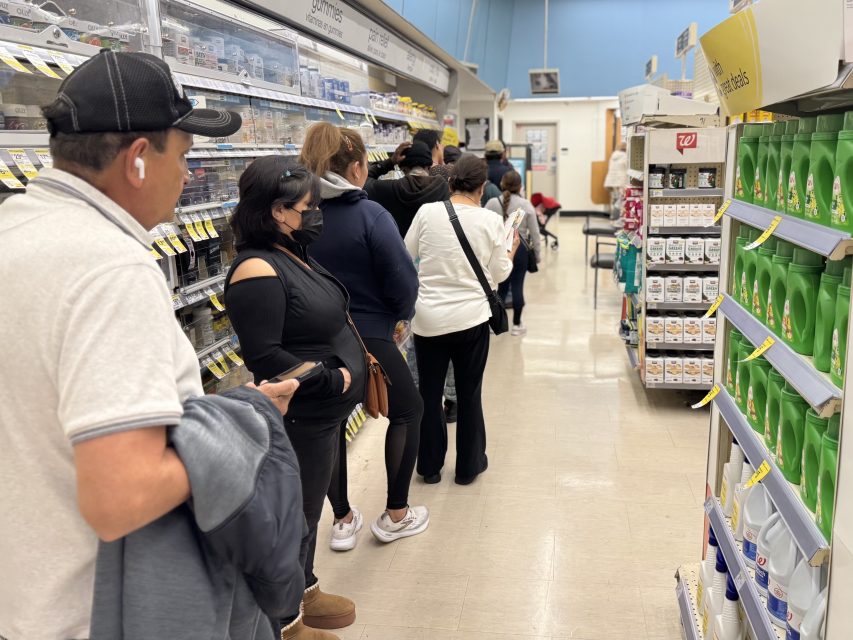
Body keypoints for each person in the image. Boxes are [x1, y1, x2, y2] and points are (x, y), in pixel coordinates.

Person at [0, 50, 301, 640]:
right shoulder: (109, 265)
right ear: (139, 159)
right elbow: (122, 493)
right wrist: (245, 422)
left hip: (28, 594)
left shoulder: (16, 228)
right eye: (184, 156)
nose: (189, 175)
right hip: (108, 609)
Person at [224, 156, 365, 640]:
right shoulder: (256, 269)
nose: (317, 215)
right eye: (309, 207)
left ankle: (303, 592)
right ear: (279, 211)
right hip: (300, 417)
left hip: (320, 421)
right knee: (295, 520)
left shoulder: (289, 252)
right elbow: (265, 355)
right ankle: (285, 625)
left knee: (306, 516)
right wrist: (333, 380)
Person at [301, 122, 430, 546]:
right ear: (357, 167)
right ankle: (396, 513)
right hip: (370, 333)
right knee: (408, 410)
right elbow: (403, 281)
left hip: (316, 340)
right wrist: (398, 318)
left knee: (331, 422)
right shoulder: (370, 213)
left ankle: (341, 520)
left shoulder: (299, 217)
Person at [404, 155, 517, 486]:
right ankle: (468, 467)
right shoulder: (489, 221)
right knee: (469, 394)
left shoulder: (426, 213)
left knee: (428, 393)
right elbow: (498, 274)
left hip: (427, 320)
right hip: (471, 320)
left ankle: (429, 466)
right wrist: (509, 252)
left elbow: (406, 255)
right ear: (482, 188)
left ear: (450, 182)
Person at [485, 170, 542, 336]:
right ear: (520, 186)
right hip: (520, 249)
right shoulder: (526, 205)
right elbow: (535, 233)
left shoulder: (491, 203)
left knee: (499, 288)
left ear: (502, 184)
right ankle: (517, 324)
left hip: (498, 249)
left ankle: (496, 323)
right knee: (517, 286)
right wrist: (537, 255)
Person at [365, 140, 450, 236]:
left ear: (403, 169)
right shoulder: (443, 187)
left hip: (400, 249)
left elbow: (362, 181)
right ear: (429, 166)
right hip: (432, 248)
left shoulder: (391, 189)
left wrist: (390, 162)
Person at [604, 141, 628, 219]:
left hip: (611, 181)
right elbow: (627, 167)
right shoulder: (625, 156)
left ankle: (612, 215)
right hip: (620, 180)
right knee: (620, 198)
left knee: (614, 198)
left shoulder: (613, 156)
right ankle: (618, 216)